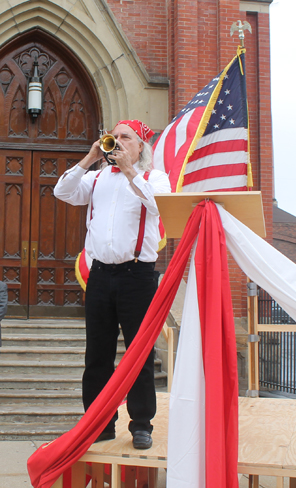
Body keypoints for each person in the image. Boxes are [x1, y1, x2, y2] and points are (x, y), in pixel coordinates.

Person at [54, 120, 171, 449]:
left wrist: (131, 171)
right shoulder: (96, 178)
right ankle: (99, 423)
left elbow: (160, 206)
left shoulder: (153, 178)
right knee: (97, 355)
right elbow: (62, 191)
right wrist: (89, 158)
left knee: (139, 353)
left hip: (138, 276)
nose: (116, 142)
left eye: (125, 138)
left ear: (140, 147)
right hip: (101, 276)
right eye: (113, 137)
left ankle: (142, 423)